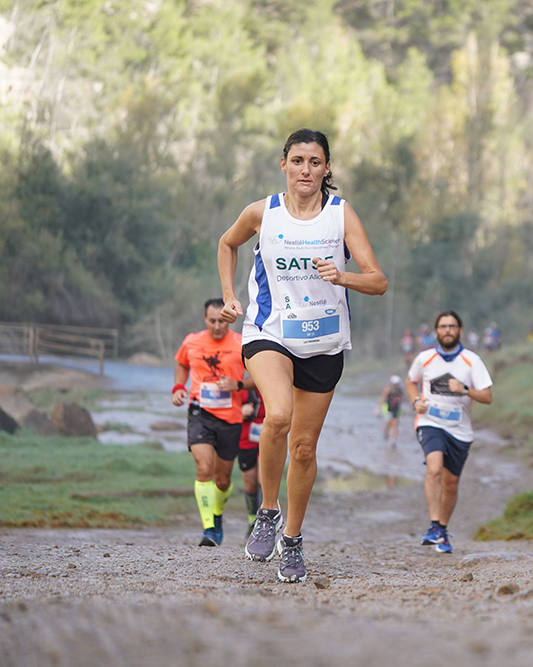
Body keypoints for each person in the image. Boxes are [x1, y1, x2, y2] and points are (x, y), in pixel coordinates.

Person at [218, 128, 387, 582]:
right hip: (268, 332)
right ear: (284, 165)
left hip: (324, 343)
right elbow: (226, 244)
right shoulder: (262, 213)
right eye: (297, 161)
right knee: (278, 415)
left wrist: (343, 277)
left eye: (315, 162)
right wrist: (229, 297)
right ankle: (267, 512)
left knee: (305, 448)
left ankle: (291, 539)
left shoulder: (341, 215)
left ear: (327, 168)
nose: (306, 170)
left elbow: (378, 280)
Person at [405, 310, 493, 554]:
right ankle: (434, 526)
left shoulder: (471, 361)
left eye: (452, 326)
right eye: (443, 326)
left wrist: (465, 389)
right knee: (434, 469)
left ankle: (442, 529)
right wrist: (415, 402)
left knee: (451, 483)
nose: (447, 330)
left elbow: (487, 396)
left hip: (460, 429)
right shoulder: (424, 358)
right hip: (429, 422)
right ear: (436, 331)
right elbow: (411, 381)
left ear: (460, 331)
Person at [171, 297, 254, 547]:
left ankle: (216, 515)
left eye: (222, 321)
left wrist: (237, 385)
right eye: (213, 321)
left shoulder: (242, 344)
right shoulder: (192, 341)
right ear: (205, 319)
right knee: (203, 468)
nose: (218, 326)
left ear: (229, 319)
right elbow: (181, 365)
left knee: (222, 480)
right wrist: (178, 387)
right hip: (200, 412)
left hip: (231, 418)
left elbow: (262, 376)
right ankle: (210, 529)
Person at [237, 387, 265, 536]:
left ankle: (264, 522)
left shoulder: (274, 382)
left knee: (264, 480)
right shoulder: (241, 385)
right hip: (245, 439)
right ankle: (252, 518)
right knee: (250, 483)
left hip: (268, 437)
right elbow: (226, 410)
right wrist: (240, 411)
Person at [377, 375, 404, 447]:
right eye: (395, 384)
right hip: (387, 409)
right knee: (388, 423)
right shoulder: (387, 389)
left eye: (397, 384)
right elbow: (383, 399)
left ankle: (393, 441)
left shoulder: (400, 390)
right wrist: (378, 409)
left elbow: (403, 399)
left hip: (396, 409)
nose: (396, 385)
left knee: (395, 424)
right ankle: (385, 432)